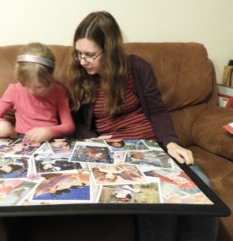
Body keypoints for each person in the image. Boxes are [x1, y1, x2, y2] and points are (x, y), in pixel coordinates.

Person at [68, 11, 218, 241]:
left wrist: (170, 143)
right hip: (115, 155)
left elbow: (157, 111)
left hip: (152, 148)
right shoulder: (81, 74)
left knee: (202, 189)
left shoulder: (137, 67)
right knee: (155, 199)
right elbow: (77, 123)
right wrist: (90, 138)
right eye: (78, 53)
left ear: (110, 50)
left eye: (90, 55)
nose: (82, 60)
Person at [0, 42, 75, 143]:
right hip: (22, 139)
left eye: (39, 87)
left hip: (50, 139)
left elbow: (69, 126)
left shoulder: (58, 91)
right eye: (26, 86)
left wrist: (49, 131)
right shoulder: (14, 90)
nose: (32, 91)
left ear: (50, 78)